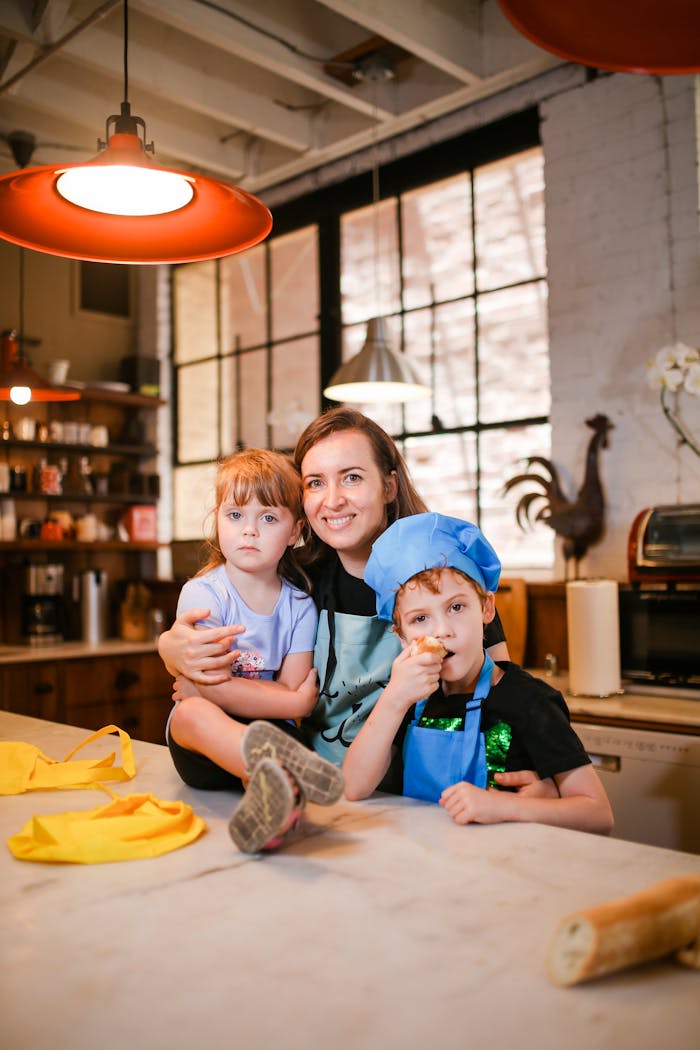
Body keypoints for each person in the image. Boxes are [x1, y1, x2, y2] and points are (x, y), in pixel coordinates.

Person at [159, 407, 548, 797]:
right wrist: (170, 647)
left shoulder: (441, 578)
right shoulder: (296, 577)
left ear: (389, 487)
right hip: (311, 786)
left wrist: (534, 773)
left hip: (406, 793)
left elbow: (499, 692)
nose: (333, 500)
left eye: (352, 478)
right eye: (315, 483)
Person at [342, 512, 614, 835]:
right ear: (401, 637)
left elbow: (598, 814)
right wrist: (392, 700)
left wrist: (502, 807)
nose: (442, 631)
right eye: (419, 619)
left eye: (456, 607)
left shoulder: (530, 701)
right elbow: (353, 788)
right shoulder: (411, 701)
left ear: (486, 608)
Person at [164, 448, 343, 853]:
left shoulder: (299, 606)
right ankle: (270, 770)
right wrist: (289, 701)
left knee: (271, 761)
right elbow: (213, 690)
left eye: (268, 518)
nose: (249, 530)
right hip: (204, 747)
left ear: (295, 531)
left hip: (272, 732)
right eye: (235, 515)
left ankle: (272, 810)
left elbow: (291, 696)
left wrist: (286, 700)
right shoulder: (204, 594)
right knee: (192, 711)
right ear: (218, 520)